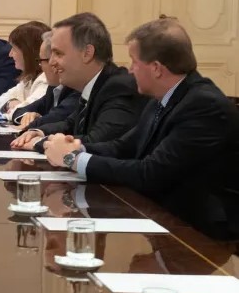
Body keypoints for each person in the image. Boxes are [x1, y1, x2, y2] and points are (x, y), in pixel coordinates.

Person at [44, 17, 239, 240]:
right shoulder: (162, 98)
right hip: (163, 216)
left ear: (156, 68)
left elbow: (150, 173)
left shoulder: (204, 105)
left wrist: (73, 159)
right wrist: (76, 148)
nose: (129, 70)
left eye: (134, 62)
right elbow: (123, 147)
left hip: (200, 232)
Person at [10, 12, 146, 152]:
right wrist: (39, 132)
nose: (51, 62)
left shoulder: (118, 88)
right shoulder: (94, 85)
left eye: (58, 53)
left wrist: (40, 143)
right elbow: (69, 124)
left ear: (87, 53)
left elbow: (98, 141)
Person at [11, 31, 79, 129]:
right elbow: (19, 111)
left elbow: (56, 117)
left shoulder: (76, 88)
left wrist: (35, 120)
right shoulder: (53, 88)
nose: (52, 63)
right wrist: (27, 117)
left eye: (41, 61)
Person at [0, 21, 50, 120]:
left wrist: (15, 109)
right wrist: (10, 103)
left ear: (28, 52)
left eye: (14, 49)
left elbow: (21, 113)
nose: (10, 54)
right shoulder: (28, 79)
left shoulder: (45, 79)